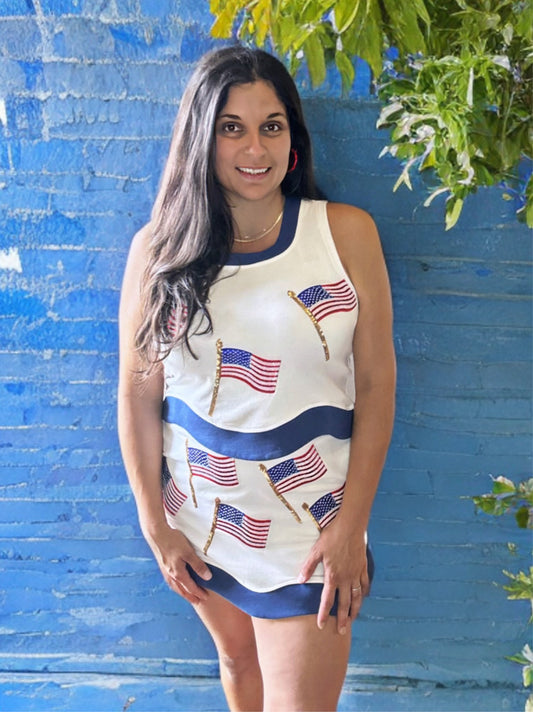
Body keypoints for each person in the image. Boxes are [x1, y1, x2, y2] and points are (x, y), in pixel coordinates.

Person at [118, 45, 396, 712]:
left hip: (310, 529)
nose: (254, 147)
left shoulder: (344, 234)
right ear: (201, 138)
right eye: (231, 127)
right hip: (201, 518)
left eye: (271, 126)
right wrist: (156, 526)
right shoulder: (157, 249)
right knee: (238, 664)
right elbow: (137, 391)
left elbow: (378, 384)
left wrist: (349, 526)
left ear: (293, 139)